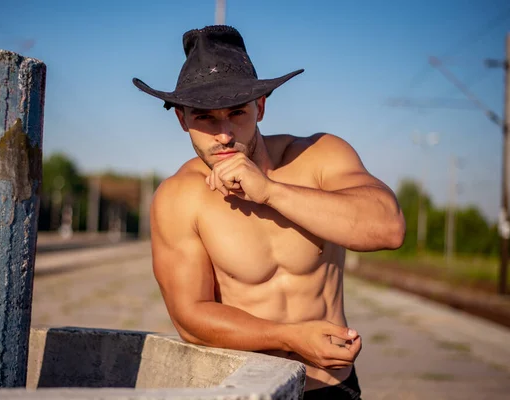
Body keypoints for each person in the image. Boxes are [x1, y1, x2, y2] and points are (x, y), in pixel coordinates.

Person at [132, 25, 405, 400]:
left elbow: (388, 228)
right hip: (246, 388)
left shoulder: (319, 156)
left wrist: (271, 191)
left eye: (237, 113)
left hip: (330, 387)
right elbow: (190, 317)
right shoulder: (179, 197)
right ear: (182, 120)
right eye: (205, 118)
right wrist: (289, 337)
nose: (224, 134)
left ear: (260, 107)